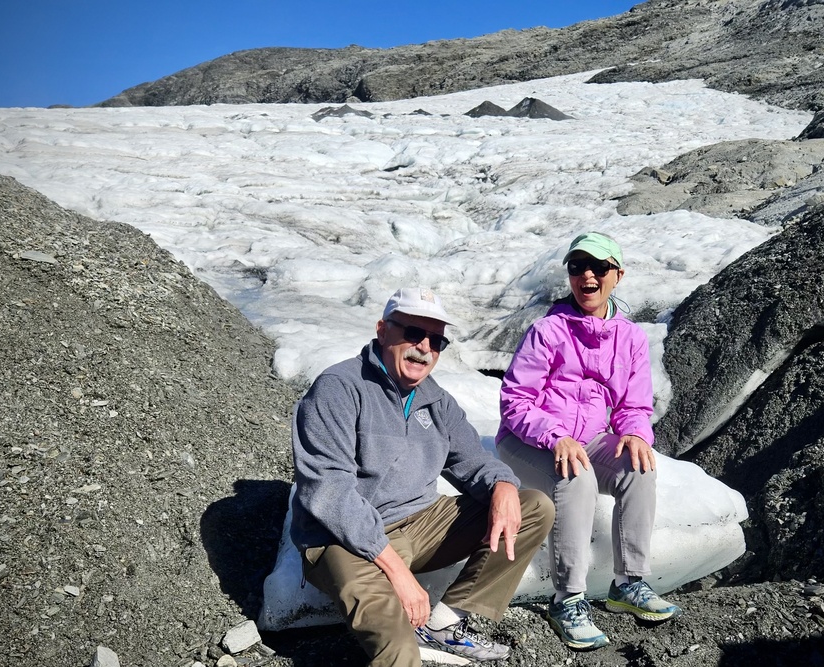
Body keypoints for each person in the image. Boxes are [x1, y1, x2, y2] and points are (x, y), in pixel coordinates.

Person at [291, 287, 555, 667]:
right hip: (343, 540)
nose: (425, 347)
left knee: (533, 506)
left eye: (437, 340)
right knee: (399, 652)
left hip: (419, 525)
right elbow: (329, 492)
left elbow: (473, 458)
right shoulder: (339, 388)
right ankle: (407, 634)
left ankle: (444, 624)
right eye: (414, 333)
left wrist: (502, 485)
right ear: (383, 330)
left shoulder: (436, 400)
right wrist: (397, 573)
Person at [495, 232, 680, 651]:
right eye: (577, 267)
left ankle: (628, 583)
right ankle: (568, 599)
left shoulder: (631, 338)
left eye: (598, 267)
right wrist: (555, 435)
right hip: (528, 440)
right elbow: (515, 401)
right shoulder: (547, 331)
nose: (587, 275)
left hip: (591, 439)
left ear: (617, 274)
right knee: (574, 476)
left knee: (638, 467)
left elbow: (634, 405)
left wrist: (634, 433)